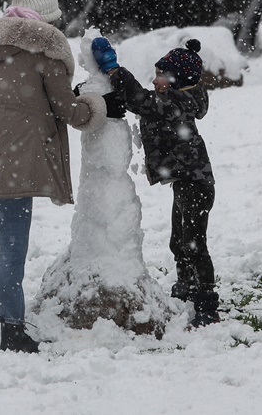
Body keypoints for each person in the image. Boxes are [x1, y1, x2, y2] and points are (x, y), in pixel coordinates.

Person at [0, 0, 111, 352]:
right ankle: (11, 329)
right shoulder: (46, 52)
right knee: (12, 249)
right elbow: (67, 110)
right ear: (45, 17)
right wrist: (95, 104)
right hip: (16, 167)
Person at [91, 36, 221, 327]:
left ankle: (206, 301)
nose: (155, 79)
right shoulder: (178, 97)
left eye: (161, 75)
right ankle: (185, 286)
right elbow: (144, 100)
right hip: (186, 182)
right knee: (180, 240)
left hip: (196, 184)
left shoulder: (178, 102)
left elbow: (140, 100)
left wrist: (114, 70)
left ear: (176, 80)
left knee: (195, 243)